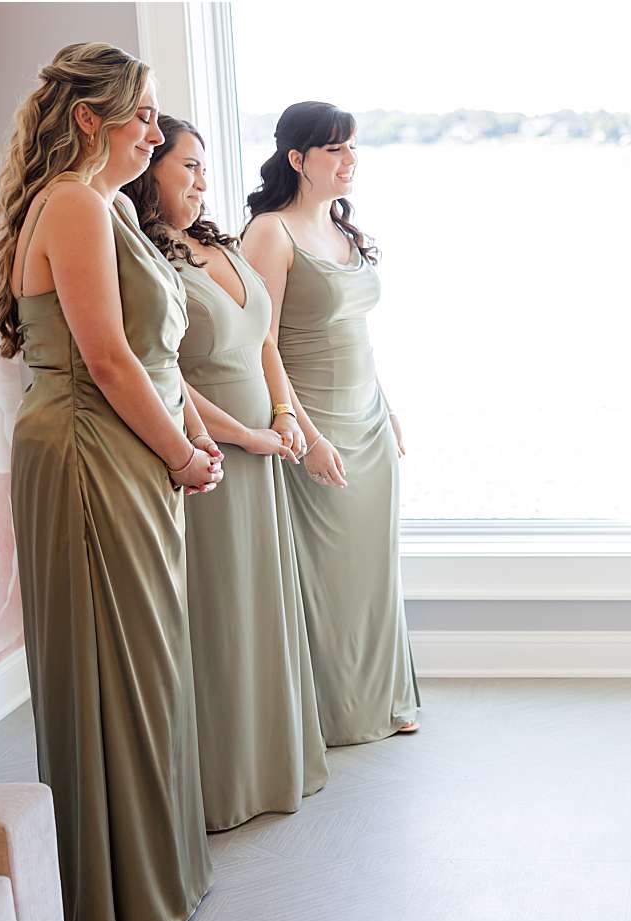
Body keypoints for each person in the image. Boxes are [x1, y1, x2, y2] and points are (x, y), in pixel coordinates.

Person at [0, 42, 218, 921]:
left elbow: (142, 362)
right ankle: (121, 902)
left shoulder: (106, 204)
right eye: (144, 115)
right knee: (114, 666)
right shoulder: (78, 204)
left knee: (144, 664)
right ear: (90, 118)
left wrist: (184, 444)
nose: (156, 133)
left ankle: (153, 876)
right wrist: (185, 455)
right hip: (89, 450)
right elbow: (110, 361)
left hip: (117, 448)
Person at [124, 115, 329, 831]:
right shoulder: (149, 261)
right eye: (187, 167)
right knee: (219, 617)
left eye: (204, 168)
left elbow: (264, 340)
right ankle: (224, 783)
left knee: (264, 609)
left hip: (266, 449)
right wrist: (243, 436)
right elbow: (166, 375)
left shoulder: (220, 243)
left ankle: (278, 764)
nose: (202, 181)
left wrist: (286, 416)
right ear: (150, 172)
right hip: (210, 454)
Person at [240, 100, 420, 745]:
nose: (349, 161)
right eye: (334, 149)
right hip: (315, 426)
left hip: (368, 422)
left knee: (373, 571)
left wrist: (389, 409)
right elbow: (259, 345)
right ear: (298, 159)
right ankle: (333, 714)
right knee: (325, 575)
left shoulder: (344, 232)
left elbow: (356, 337)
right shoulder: (269, 233)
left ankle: (383, 700)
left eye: (352, 148)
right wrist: (306, 435)